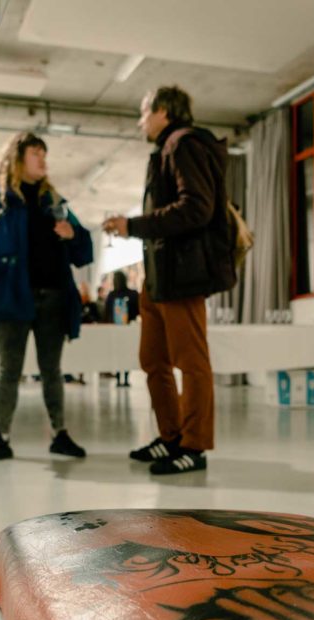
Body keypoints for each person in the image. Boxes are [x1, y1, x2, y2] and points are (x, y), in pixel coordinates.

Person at [103, 85, 234, 475]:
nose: (140, 121)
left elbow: (196, 208)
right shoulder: (167, 149)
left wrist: (133, 226)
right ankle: (171, 435)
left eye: (144, 112)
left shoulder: (184, 145)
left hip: (183, 273)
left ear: (163, 111)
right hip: (160, 273)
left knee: (191, 363)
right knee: (153, 360)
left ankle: (194, 446)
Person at [0, 131, 93, 463]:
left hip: (54, 297)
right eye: (36, 154)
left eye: (44, 155)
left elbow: (83, 252)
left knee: (52, 370)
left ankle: (60, 434)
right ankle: (1, 438)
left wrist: (73, 235)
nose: (43, 160)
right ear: (18, 159)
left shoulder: (54, 202)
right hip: (11, 299)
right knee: (9, 370)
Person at [103, 270, 139, 387]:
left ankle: (123, 378)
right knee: (121, 354)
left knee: (123, 354)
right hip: (120, 331)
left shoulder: (115, 295)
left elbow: (107, 313)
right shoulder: (129, 294)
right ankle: (121, 378)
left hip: (124, 330)